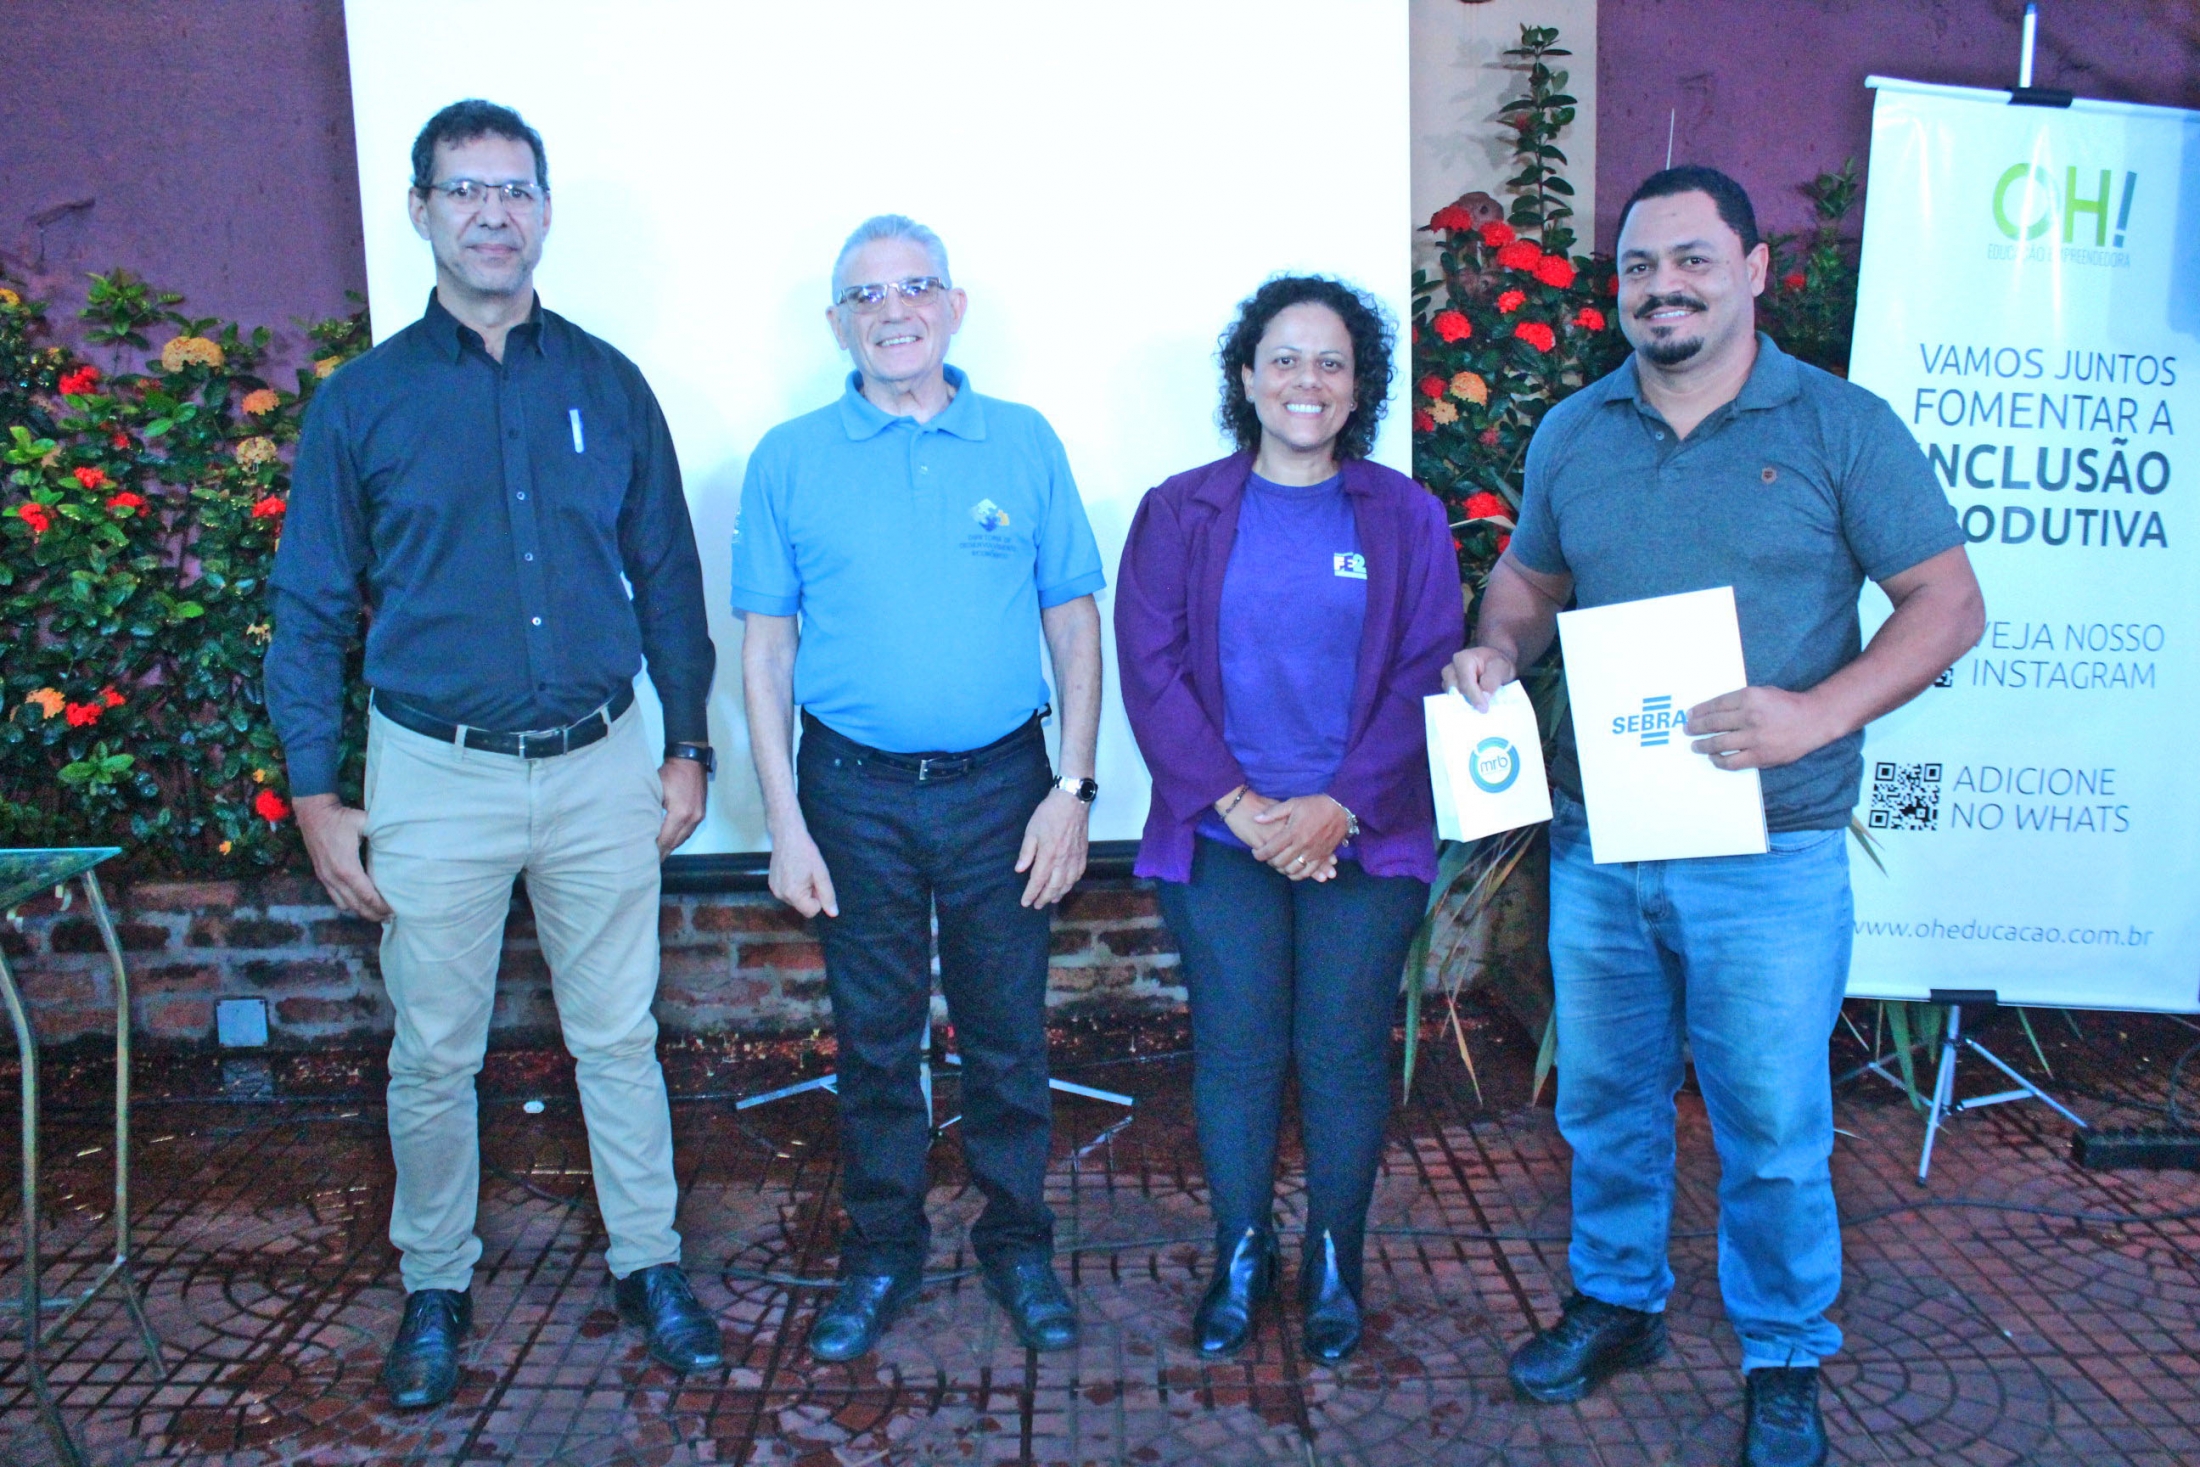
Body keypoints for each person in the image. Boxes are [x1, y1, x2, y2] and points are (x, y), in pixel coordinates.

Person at [1447, 166, 1982, 1467]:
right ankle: (1618, 1300)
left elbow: (1947, 604)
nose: (1661, 286)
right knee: (1607, 1100)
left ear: (1752, 271)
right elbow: (1528, 582)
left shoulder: (1839, 425)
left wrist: (1817, 713)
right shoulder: (1576, 430)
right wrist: (1496, 651)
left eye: (1691, 258)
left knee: (1773, 1126)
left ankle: (1785, 1349)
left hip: (1771, 847)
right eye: (1638, 265)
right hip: (1604, 840)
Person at [266, 99, 725, 1410]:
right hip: (435, 771)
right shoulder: (363, 403)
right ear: (422, 209)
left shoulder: (609, 385)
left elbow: (667, 577)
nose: (491, 213)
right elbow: (309, 607)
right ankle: (435, 1284)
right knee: (432, 1052)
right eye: (464, 190)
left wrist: (689, 744)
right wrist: (317, 794)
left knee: (618, 1037)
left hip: (599, 764)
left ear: (543, 210)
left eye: (514, 189)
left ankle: (648, 1263)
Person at [732, 215, 1105, 1361]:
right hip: (850, 794)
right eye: (866, 295)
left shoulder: (1023, 440)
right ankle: (882, 1251)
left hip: (1006, 787)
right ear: (836, 322)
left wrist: (1073, 790)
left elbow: (1074, 626)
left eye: (915, 287)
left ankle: (1017, 1246)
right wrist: (784, 822)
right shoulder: (789, 457)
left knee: (1007, 1036)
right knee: (875, 1043)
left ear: (953, 305)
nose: (893, 310)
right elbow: (765, 655)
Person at [1115, 276, 1463, 1364]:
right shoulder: (1180, 510)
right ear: (1246, 376)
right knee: (1237, 1051)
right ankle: (1241, 1251)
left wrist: (1334, 808)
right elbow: (1150, 667)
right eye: (1284, 359)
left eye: (1330, 362)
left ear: (1358, 387)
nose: (1305, 380)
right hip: (1224, 837)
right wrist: (1246, 808)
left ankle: (1333, 1261)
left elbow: (1426, 666)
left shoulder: (1404, 515)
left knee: (1344, 1053)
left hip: (1368, 833)